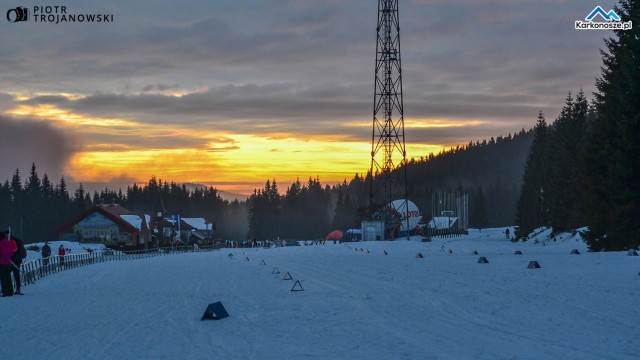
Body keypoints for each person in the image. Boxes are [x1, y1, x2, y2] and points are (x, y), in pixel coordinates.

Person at [0, 231, 13, 297]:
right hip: (8, 262)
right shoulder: (8, 242)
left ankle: (5, 292)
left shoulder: (0, 243)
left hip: (1, 262)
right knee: (8, 277)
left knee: (3, 278)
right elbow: (11, 252)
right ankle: (10, 291)